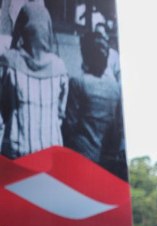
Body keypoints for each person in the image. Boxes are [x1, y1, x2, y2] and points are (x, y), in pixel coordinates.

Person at [0, 3, 68, 158]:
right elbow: (60, 114)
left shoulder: (9, 63)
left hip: (17, 153)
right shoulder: (60, 68)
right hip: (50, 153)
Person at [62, 30, 124, 177]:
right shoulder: (114, 88)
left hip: (81, 157)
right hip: (106, 160)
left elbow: (69, 125)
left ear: (87, 55)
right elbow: (117, 127)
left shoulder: (78, 83)